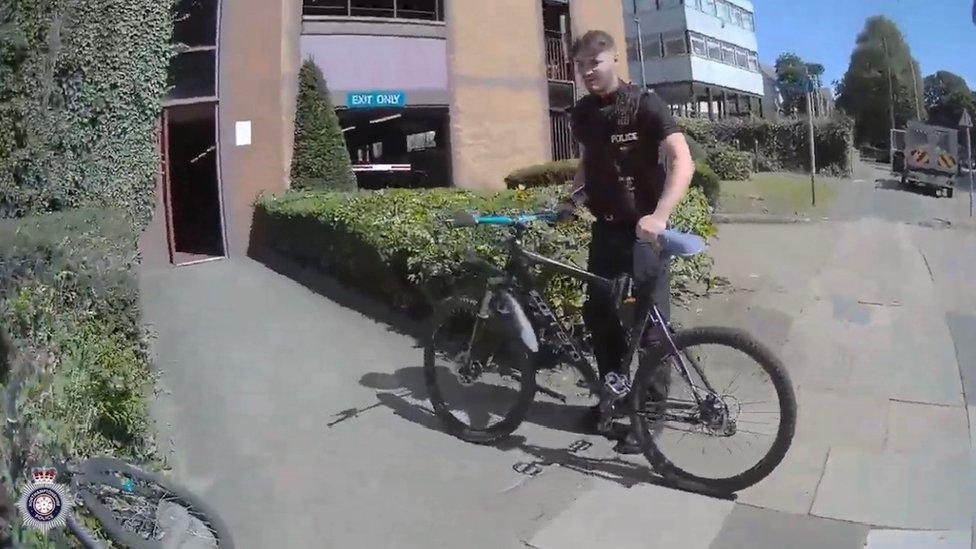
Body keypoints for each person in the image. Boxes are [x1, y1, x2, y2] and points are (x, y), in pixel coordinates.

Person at [558, 30, 694, 453]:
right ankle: (614, 398)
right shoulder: (583, 114)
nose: (588, 71)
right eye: (581, 65)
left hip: (643, 233)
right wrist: (571, 198)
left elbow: (682, 160)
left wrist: (660, 217)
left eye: (595, 62)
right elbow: (590, 163)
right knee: (599, 314)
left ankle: (649, 418)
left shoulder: (645, 105)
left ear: (614, 60)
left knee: (650, 325)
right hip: (606, 230)